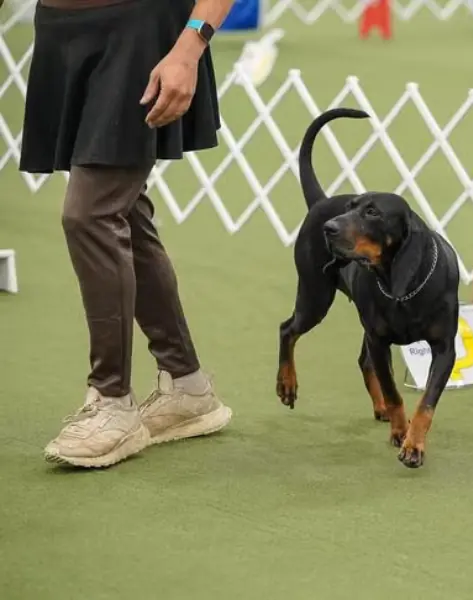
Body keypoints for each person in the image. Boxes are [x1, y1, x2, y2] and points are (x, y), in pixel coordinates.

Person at [19, 0, 236, 468]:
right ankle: (187, 386)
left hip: (141, 28)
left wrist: (189, 45)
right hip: (61, 30)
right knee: (120, 214)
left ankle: (112, 401)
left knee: (91, 214)